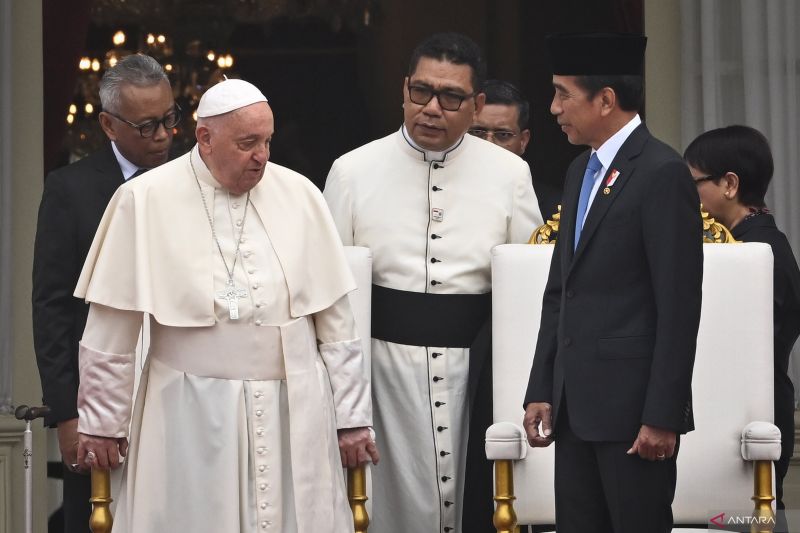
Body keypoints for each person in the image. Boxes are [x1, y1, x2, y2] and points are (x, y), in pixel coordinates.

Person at [73, 78, 378, 532]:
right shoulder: (144, 199)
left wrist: (352, 420)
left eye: (268, 141)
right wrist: (101, 423)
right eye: (247, 143)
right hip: (190, 414)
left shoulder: (301, 195)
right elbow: (111, 328)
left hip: (292, 411)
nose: (262, 156)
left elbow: (337, 327)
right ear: (205, 138)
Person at [324, 32, 542, 533]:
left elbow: (528, 287)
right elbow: (331, 293)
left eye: (451, 97)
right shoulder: (351, 171)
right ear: (404, 89)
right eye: (421, 91)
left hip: (477, 373)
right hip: (382, 376)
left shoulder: (510, 174)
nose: (431, 108)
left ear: (477, 105)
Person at [523, 33, 703, 533]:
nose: (553, 108)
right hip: (573, 409)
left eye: (563, 94)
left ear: (605, 99)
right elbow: (561, 290)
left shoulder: (662, 172)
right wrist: (541, 386)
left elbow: (679, 305)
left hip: (633, 415)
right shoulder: (580, 170)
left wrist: (663, 414)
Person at [32, 53, 176, 533]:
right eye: (147, 125)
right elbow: (52, 307)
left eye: (170, 118)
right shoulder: (69, 190)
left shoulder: (196, 181)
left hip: (179, 389)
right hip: (98, 400)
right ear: (109, 125)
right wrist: (67, 413)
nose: (163, 135)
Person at [684, 125, 800, 524]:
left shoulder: (754, 253)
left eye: (694, 183)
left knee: (750, 519)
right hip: (747, 410)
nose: (688, 195)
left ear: (729, 184)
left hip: (752, 418)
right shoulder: (748, 244)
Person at [469, 79, 562, 222]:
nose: (489, 144)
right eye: (477, 132)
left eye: (503, 135)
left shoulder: (556, 211)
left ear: (523, 141)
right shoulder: (439, 190)